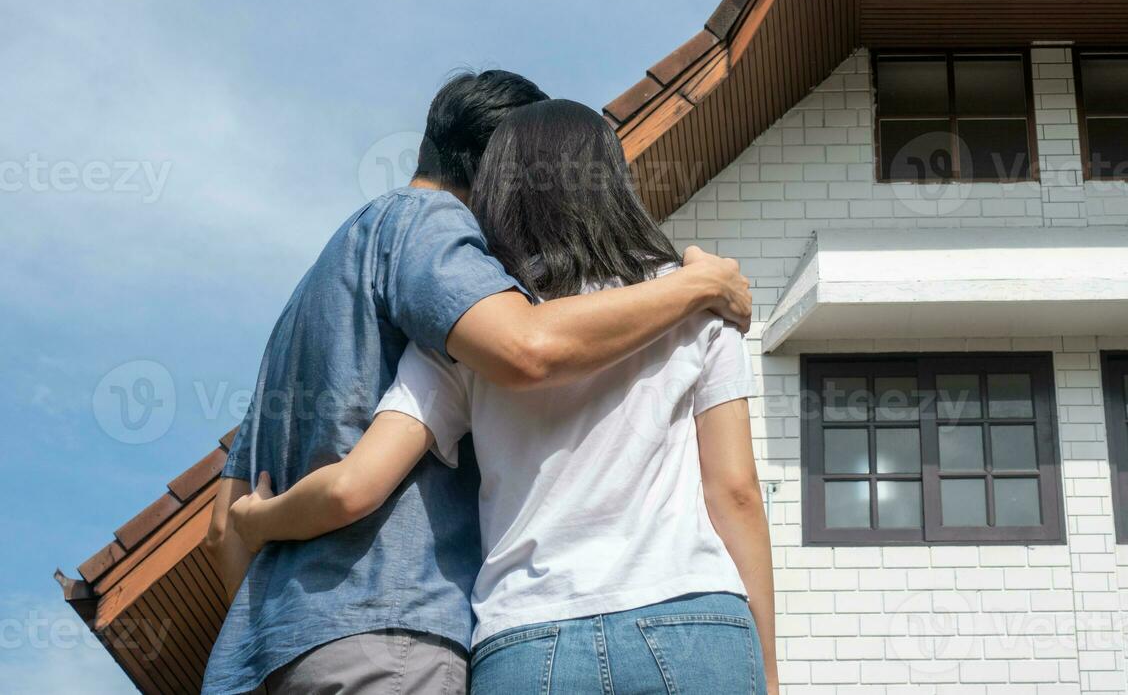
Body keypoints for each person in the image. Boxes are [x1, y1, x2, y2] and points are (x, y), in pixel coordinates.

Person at [201, 75, 752, 695]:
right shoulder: (429, 224)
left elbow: (225, 529)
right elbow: (525, 346)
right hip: (397, 635)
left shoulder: (303, 308)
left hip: (290, 650)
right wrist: (696, 285)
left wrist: (282, 607)